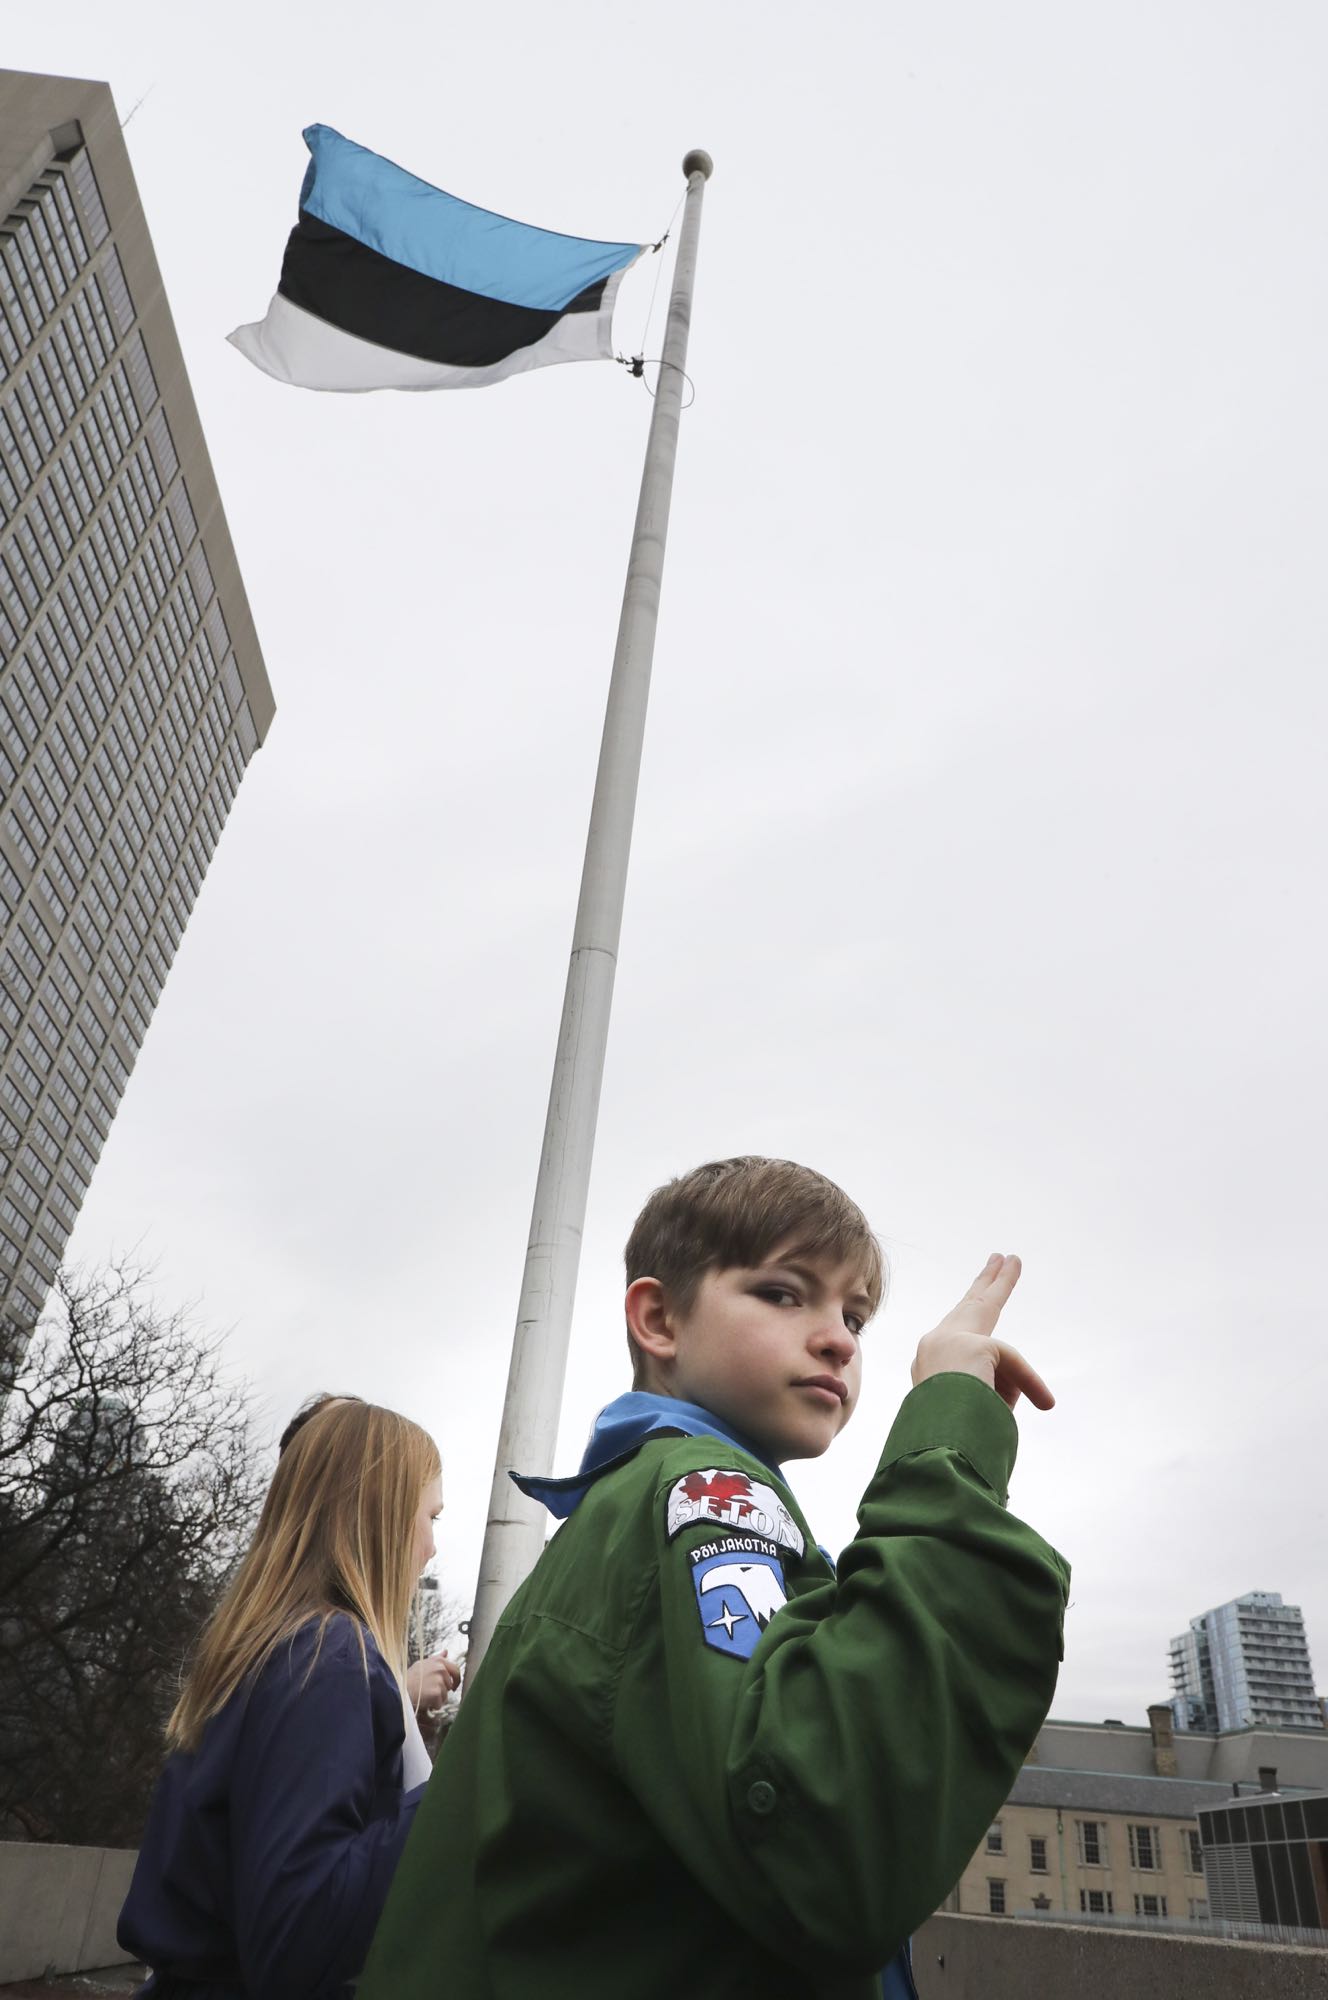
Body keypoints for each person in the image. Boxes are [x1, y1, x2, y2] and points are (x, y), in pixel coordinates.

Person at [359, 1156, 1071, 2000]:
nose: (840, 1339)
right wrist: (949, 1444)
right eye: (783, 1293)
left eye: (853, 1314)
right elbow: (826, 1833)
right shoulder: (705, 1494)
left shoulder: (647, 1498)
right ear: (659, 1319)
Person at [119, 1397, 452, 2000]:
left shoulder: (281, 1645)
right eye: (431, 1516)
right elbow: (296, 1940)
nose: (432, 1546)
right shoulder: (329, 1654)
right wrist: (460, 1793)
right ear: (382, 1515)